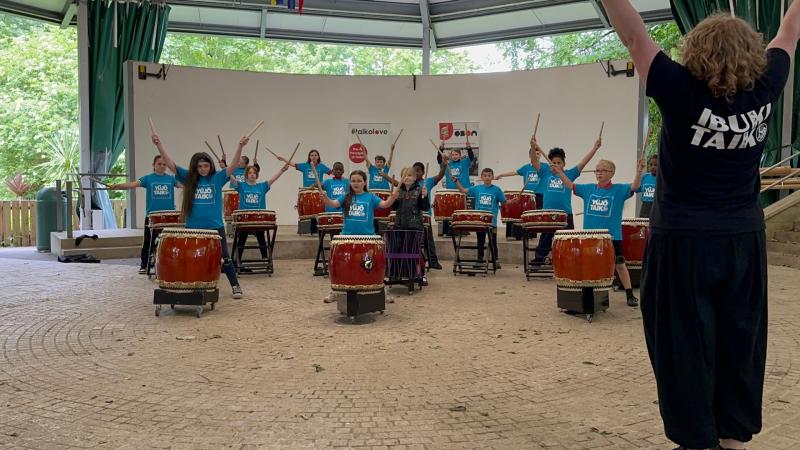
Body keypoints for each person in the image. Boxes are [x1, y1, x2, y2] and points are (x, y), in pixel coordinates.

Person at [601, 1, 798, 449]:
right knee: (740, 346)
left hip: (682, 244)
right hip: (742, 243)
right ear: (753, 53)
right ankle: (733, 441)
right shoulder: (767, 86)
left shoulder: (677, 88)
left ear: (694, 51)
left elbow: (634, 34)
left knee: (682, 350)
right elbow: (789, 32)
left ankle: (696, 441)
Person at [152, 132, 248, 299]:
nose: (204, 169)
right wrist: (158, 144)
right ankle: (191, 285)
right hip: (193, 228)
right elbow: (171, 164)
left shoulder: (217, 178)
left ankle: (235, 285)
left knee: (225, 257)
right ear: (195, 167)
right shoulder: (189, 178)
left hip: (215, 227)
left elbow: (232, 167)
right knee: (192, 258)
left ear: (210, 166)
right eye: (200, 166)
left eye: (206, 165)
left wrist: (240, 146)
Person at [556, 158, 645, 306]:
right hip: (590, 237)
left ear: (612, 173)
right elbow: (570, 185)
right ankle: (586, 296)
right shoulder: (588, 189)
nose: (599, 173)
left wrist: (639, 172)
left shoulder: (619, 189)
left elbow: (635, 186)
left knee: (620, 265)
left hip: (612, 236)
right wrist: (559, 172)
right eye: (597, 170)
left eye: (603, 170)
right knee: (589, 265)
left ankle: (629, 294)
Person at [316, 169, 399, 302]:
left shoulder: (370, 197)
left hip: (367, 239)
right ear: (350, 183)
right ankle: (336, 291)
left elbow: (385, 205)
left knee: (371, 267)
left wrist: (392, 198)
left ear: (365, 182)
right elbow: (334, 204)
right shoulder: (346, 196)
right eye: (353, 181)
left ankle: (381, 290)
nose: (356, 183)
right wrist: (325, 199)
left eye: (359, 181)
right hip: (347, 238)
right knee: (344, 267)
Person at [531, 136, 602, 264]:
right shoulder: (545, 173)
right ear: (550, 163)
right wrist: (532, 146)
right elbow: (533, 161)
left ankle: (566, 261)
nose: (557, 165)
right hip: (548, 214)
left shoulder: (569, 174)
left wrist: (595, 148)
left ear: (564, 164)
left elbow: (583, 163)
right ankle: (539, 259)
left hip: (565, 214)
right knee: (545, 238)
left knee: (567, 239)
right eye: (554, 162)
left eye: (560, 163)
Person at [108, 155, 178, 274]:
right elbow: (133, 184)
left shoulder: (171, 179)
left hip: (168, 216)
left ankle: (167, 265)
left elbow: (186, 186)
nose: (162, 166)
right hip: (152, 216)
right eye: (159, 164)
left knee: (167, 241)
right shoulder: (148, 179)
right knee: (148, 241)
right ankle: (144, 265)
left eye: (164, 164)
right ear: (153, 165)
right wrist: (118, 186)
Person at [452, 168, 516, 269]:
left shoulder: (497, 190)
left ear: (492, 177)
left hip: (492, 222)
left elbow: (504, 202)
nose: (487, 177)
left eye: (489, 175)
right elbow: (463, 190)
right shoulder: (477, 188)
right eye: (485, 175)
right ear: (481, 177)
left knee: (493, 242)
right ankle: (480, 259)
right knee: (480, 241)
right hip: (479, 221)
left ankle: (496, 260)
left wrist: (512, 201)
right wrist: (456, 181)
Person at [230, 162, 290, 270]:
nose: (252, 174)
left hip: (258, 219)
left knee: (261, 238)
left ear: (257, 175)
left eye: (254, 173)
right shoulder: (241, 186)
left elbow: (273, 179)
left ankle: (264, 258)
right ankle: (236, 260)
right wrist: (226, 168)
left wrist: (282, 170)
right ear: (246, 175)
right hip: (245, 220)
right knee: (242, 239)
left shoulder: (262, 186)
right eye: (250, 173)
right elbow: (232, 178)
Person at [413, 161, 447, 270]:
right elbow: (396, 183)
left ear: (423, 172)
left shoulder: (428, 181)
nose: (416, 173)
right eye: (414, 170)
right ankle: (414, 260)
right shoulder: (409, 182)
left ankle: (433, 261)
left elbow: (440, 176)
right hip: (412, 215)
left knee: (428, 240)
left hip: (425, 214)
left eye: (418, 171)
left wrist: (444, 165)